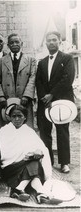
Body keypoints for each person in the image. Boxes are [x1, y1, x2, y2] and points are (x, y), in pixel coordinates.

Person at [0, 105, 56, 204]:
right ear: (10, 117)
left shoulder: (29, 131)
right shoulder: (4, 130)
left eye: (19, 116)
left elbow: (42, 148)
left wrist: (38, 151)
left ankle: (24, 189)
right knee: (33, 162)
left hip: (25, 166)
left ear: (25, 117)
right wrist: (28, 156)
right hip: (10, 167)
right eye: (14, 116)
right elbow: (5, 153)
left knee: (34, 162)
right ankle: (40, 192)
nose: (16, 119)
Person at [36, 31, 76, 173]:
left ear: (59, 42)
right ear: (45, 43)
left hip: (62, 101)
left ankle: (64, 162)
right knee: (45, 132)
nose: (51, 42)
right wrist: (44, 97)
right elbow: (39, 82)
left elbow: (67, 79)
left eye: (54, 40)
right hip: (45, 102)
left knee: (62, 131)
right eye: (49, 40)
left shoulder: (68, 58)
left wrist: (52, 95)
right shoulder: (41, 62)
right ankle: (48, 161)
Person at [0, 33, 36, 131]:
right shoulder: (1, 61)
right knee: (6, 127)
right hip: (6, 100)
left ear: (22, 44)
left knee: (25, 127)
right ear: (8, 45)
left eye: (17, 42)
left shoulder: (30, 60)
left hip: (24, 100)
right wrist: (0, 97)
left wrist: (27, 96)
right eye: (11, 43)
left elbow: (32, 79)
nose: (14, 44)